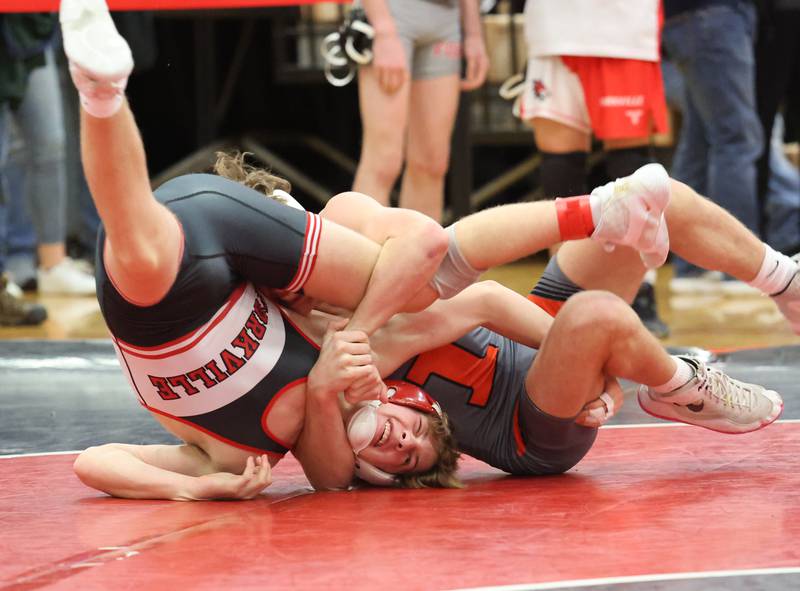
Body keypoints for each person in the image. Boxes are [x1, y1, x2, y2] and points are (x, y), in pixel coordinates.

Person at [62, 0, 669, 497]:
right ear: (417, 406)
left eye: (388, 458)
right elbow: (454, 271)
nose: (398, 443)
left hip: (179, 284)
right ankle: (602, 219)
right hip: (245, 247)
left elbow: (96, 462)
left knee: (142, 250)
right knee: (418, 257)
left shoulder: (249, 446)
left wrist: (193, 491)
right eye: (411, 444)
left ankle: (102, 95)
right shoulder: (347, 360)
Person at [515, 0, 670, 336]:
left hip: (626, 29)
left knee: (633, 170)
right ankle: (560, 294)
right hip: (556, 27)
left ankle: (639, 289)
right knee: (561, 166)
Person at [352, 0, 489, 221]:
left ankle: (417, 253)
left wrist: (473, 33)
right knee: (383, 161)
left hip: (446, 16)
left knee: (432, 162)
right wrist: (383, 29)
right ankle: (357, 254)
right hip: (392, 12)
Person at [661, 0, 764, 288]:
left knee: (700, 143)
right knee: (736, 141)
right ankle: (741, 268)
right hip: (712, 16)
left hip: (695, 18)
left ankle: (692, 268)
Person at [0, 15, 95, 296]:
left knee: (50, 144)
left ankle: (52, 263)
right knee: (9, 152)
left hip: (32, 32)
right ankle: (10, 266)